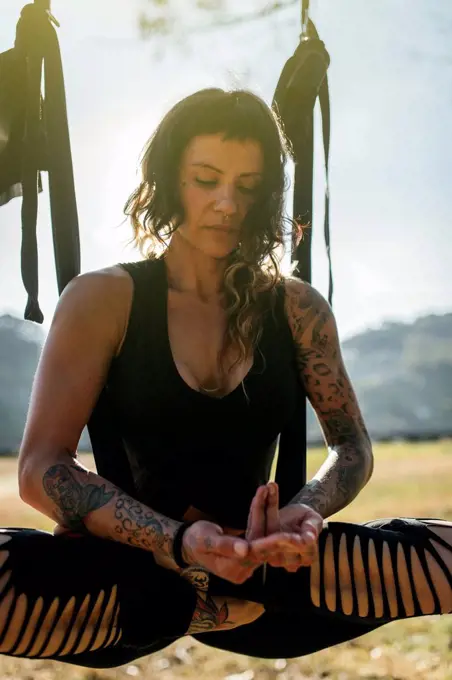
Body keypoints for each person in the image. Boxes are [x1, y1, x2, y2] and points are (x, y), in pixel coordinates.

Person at [0, 88, 450, 668]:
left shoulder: (297, 309)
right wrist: (179, 544)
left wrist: (305, 509)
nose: (227, 203)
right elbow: (41, 470)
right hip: (134, 583)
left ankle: (231, 602)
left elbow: (351, 446)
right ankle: (193, 605)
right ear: (168, 180)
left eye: (248, 184)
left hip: (274, 578)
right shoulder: (104, 298)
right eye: (205, 179)